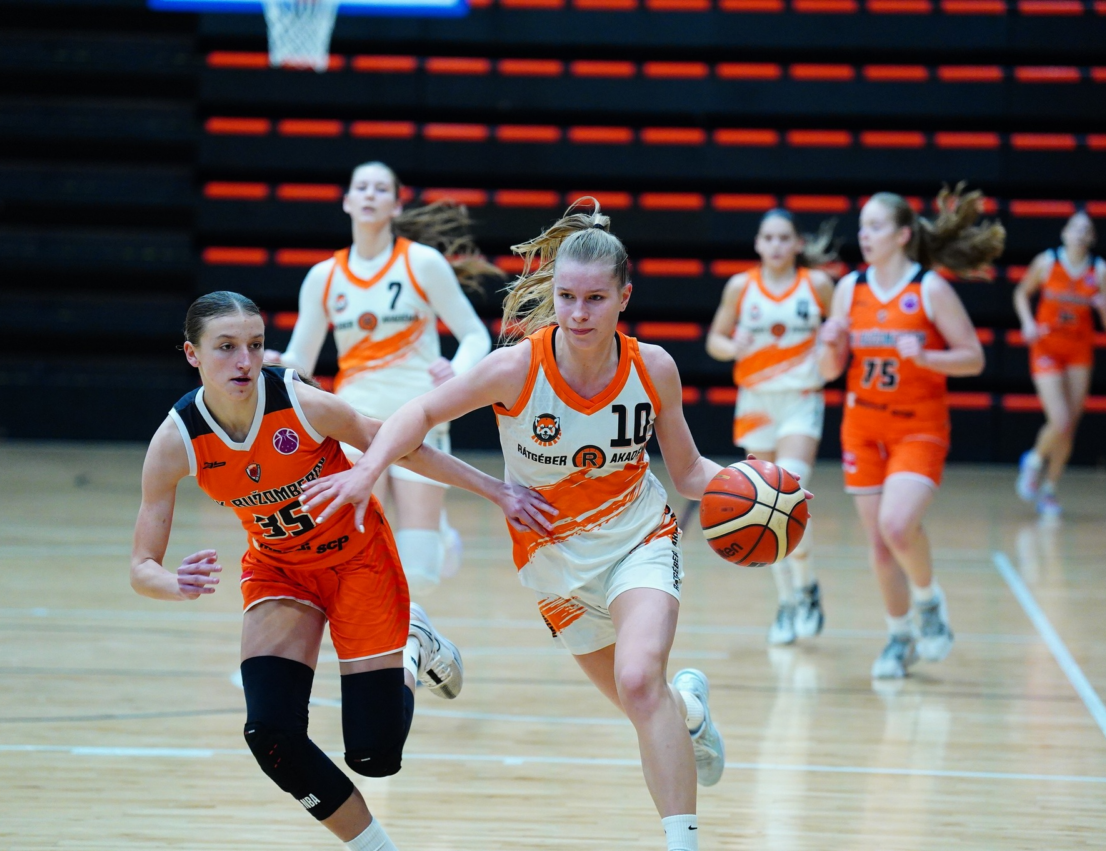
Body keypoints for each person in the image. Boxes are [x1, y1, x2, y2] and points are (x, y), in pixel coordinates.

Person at [301, 200, 801, 851]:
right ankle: (692, 713)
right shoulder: (516, 368)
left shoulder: (652, 368)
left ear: (624, 297)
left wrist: (760, 487)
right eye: (566, 296)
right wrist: (369, 470)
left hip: (639, 539)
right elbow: (418, 414)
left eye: (595, 298)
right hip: (554, 564)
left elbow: (688, 474)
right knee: (646, 702)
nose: (578, 312)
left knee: (638, 679)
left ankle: (683, 842)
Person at [131, 291, 552, 851]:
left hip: (357, 560)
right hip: (280, 571)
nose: (244, 361)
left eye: (254, 345)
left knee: (375, 756)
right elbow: (141, 566)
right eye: (226, 347)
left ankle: (413, 644)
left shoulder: (302, 403)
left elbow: (402, 447)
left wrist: (496, 490)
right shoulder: (177, 438)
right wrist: (174, 584)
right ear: (193, 354)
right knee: (271, 735)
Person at [268, 161, 497, 596]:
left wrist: (458, 371)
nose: (370, 194)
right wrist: (277, 361)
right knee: (354, 547)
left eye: (380, 188)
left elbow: (474, 334)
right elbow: (302, 359)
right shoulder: (324, 276)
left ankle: (438, 533)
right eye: (362, 188)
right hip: (354, 420)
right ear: (347, 202)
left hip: (419, 417)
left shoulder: (422, 263)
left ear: (396, 204)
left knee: (420, 572)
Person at [818, 186, 1001, 679]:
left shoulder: (929, 289)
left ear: (902, 235)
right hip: (862, 428)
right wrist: (829, 344)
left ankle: (929, 601)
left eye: (875, 227)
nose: (865, 235)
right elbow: (830, 370)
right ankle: (900, 638)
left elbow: (974, 358)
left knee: (897, 526)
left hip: (918, 428)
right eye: (862, 227)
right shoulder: (849, 288)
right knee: (879, 545)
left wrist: (926, 356)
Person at [706, 209, 835, 646]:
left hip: (801, 397)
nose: (776, 245)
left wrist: (832, 348)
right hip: (756, 401)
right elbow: (715, 341)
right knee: (764, 505)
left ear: (798, 243)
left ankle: (807, 587)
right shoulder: (741, 287)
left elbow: (840, 334)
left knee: (790, 491)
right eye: (769, 237)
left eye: (784, 237)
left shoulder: (817, 285)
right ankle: (788, 600)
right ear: (758, 243)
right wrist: (732, 345)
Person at [1013, 210, 1106, 518]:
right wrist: (1027, 323)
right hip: (1046, 346)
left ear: (1092, 238)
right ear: (1065, 233)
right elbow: (1021, 293)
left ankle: (1050, 490)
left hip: (1079, 351)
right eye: (1076, 229)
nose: (1080, 234)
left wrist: (1104, 308)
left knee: (1069, 427)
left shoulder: (1100, 271)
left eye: (1087, 230)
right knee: (1059, 419)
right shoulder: (1047, 262)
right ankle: (1034, 460)